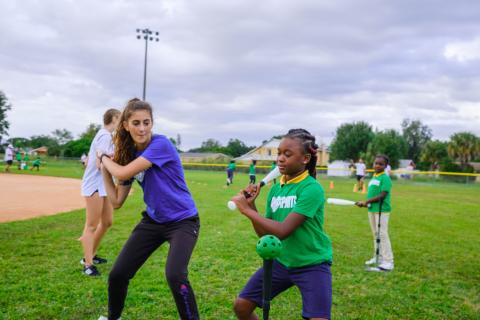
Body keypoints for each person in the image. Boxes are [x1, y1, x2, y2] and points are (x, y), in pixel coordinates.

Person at [98, 98, 200, 320]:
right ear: (125, 125)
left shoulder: (160, 145)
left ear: (153, 123)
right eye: (136, 123)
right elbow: (116, 201)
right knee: (118, 274)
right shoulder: (129, 154)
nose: (142, 128)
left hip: (183, 221)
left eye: (147, 122)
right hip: (153, 222)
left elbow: (123, 173)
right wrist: (105, 170)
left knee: (175, 275)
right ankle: (112, 318)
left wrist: (104, 158)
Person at [231, 129, 333, 320]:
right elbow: (267, 236)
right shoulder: (276, 189)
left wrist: (246, 210)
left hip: (312, 263)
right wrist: (252, 206)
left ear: (305, 158)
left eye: (288, 154)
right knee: (241, 307)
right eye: (279, 153)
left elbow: (283, 231)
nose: (280, 159)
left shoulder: (312, 188)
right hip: (282, 261)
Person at [79, 108, 121, 276]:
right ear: (114, 118)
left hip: (103, 185)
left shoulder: (105, 135)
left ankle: (92, 254)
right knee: (91, 225)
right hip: (94, 185)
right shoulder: (104, 136)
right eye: (120, 118)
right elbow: (99, 163)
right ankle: (87, 264)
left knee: (107, 222)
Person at [355, 154, 394, 271]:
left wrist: (366, 201)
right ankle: (378, 257)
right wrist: (367, 204)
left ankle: (388, 261)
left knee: (382, 234)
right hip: (372, 209)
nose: (377, 165)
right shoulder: (374, 177)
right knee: (375, 235)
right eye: (376, 163)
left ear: (385, 166)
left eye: (380, 164)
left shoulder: (385, 178)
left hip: (381, 210)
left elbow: (382, 195)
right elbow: (372, 193)